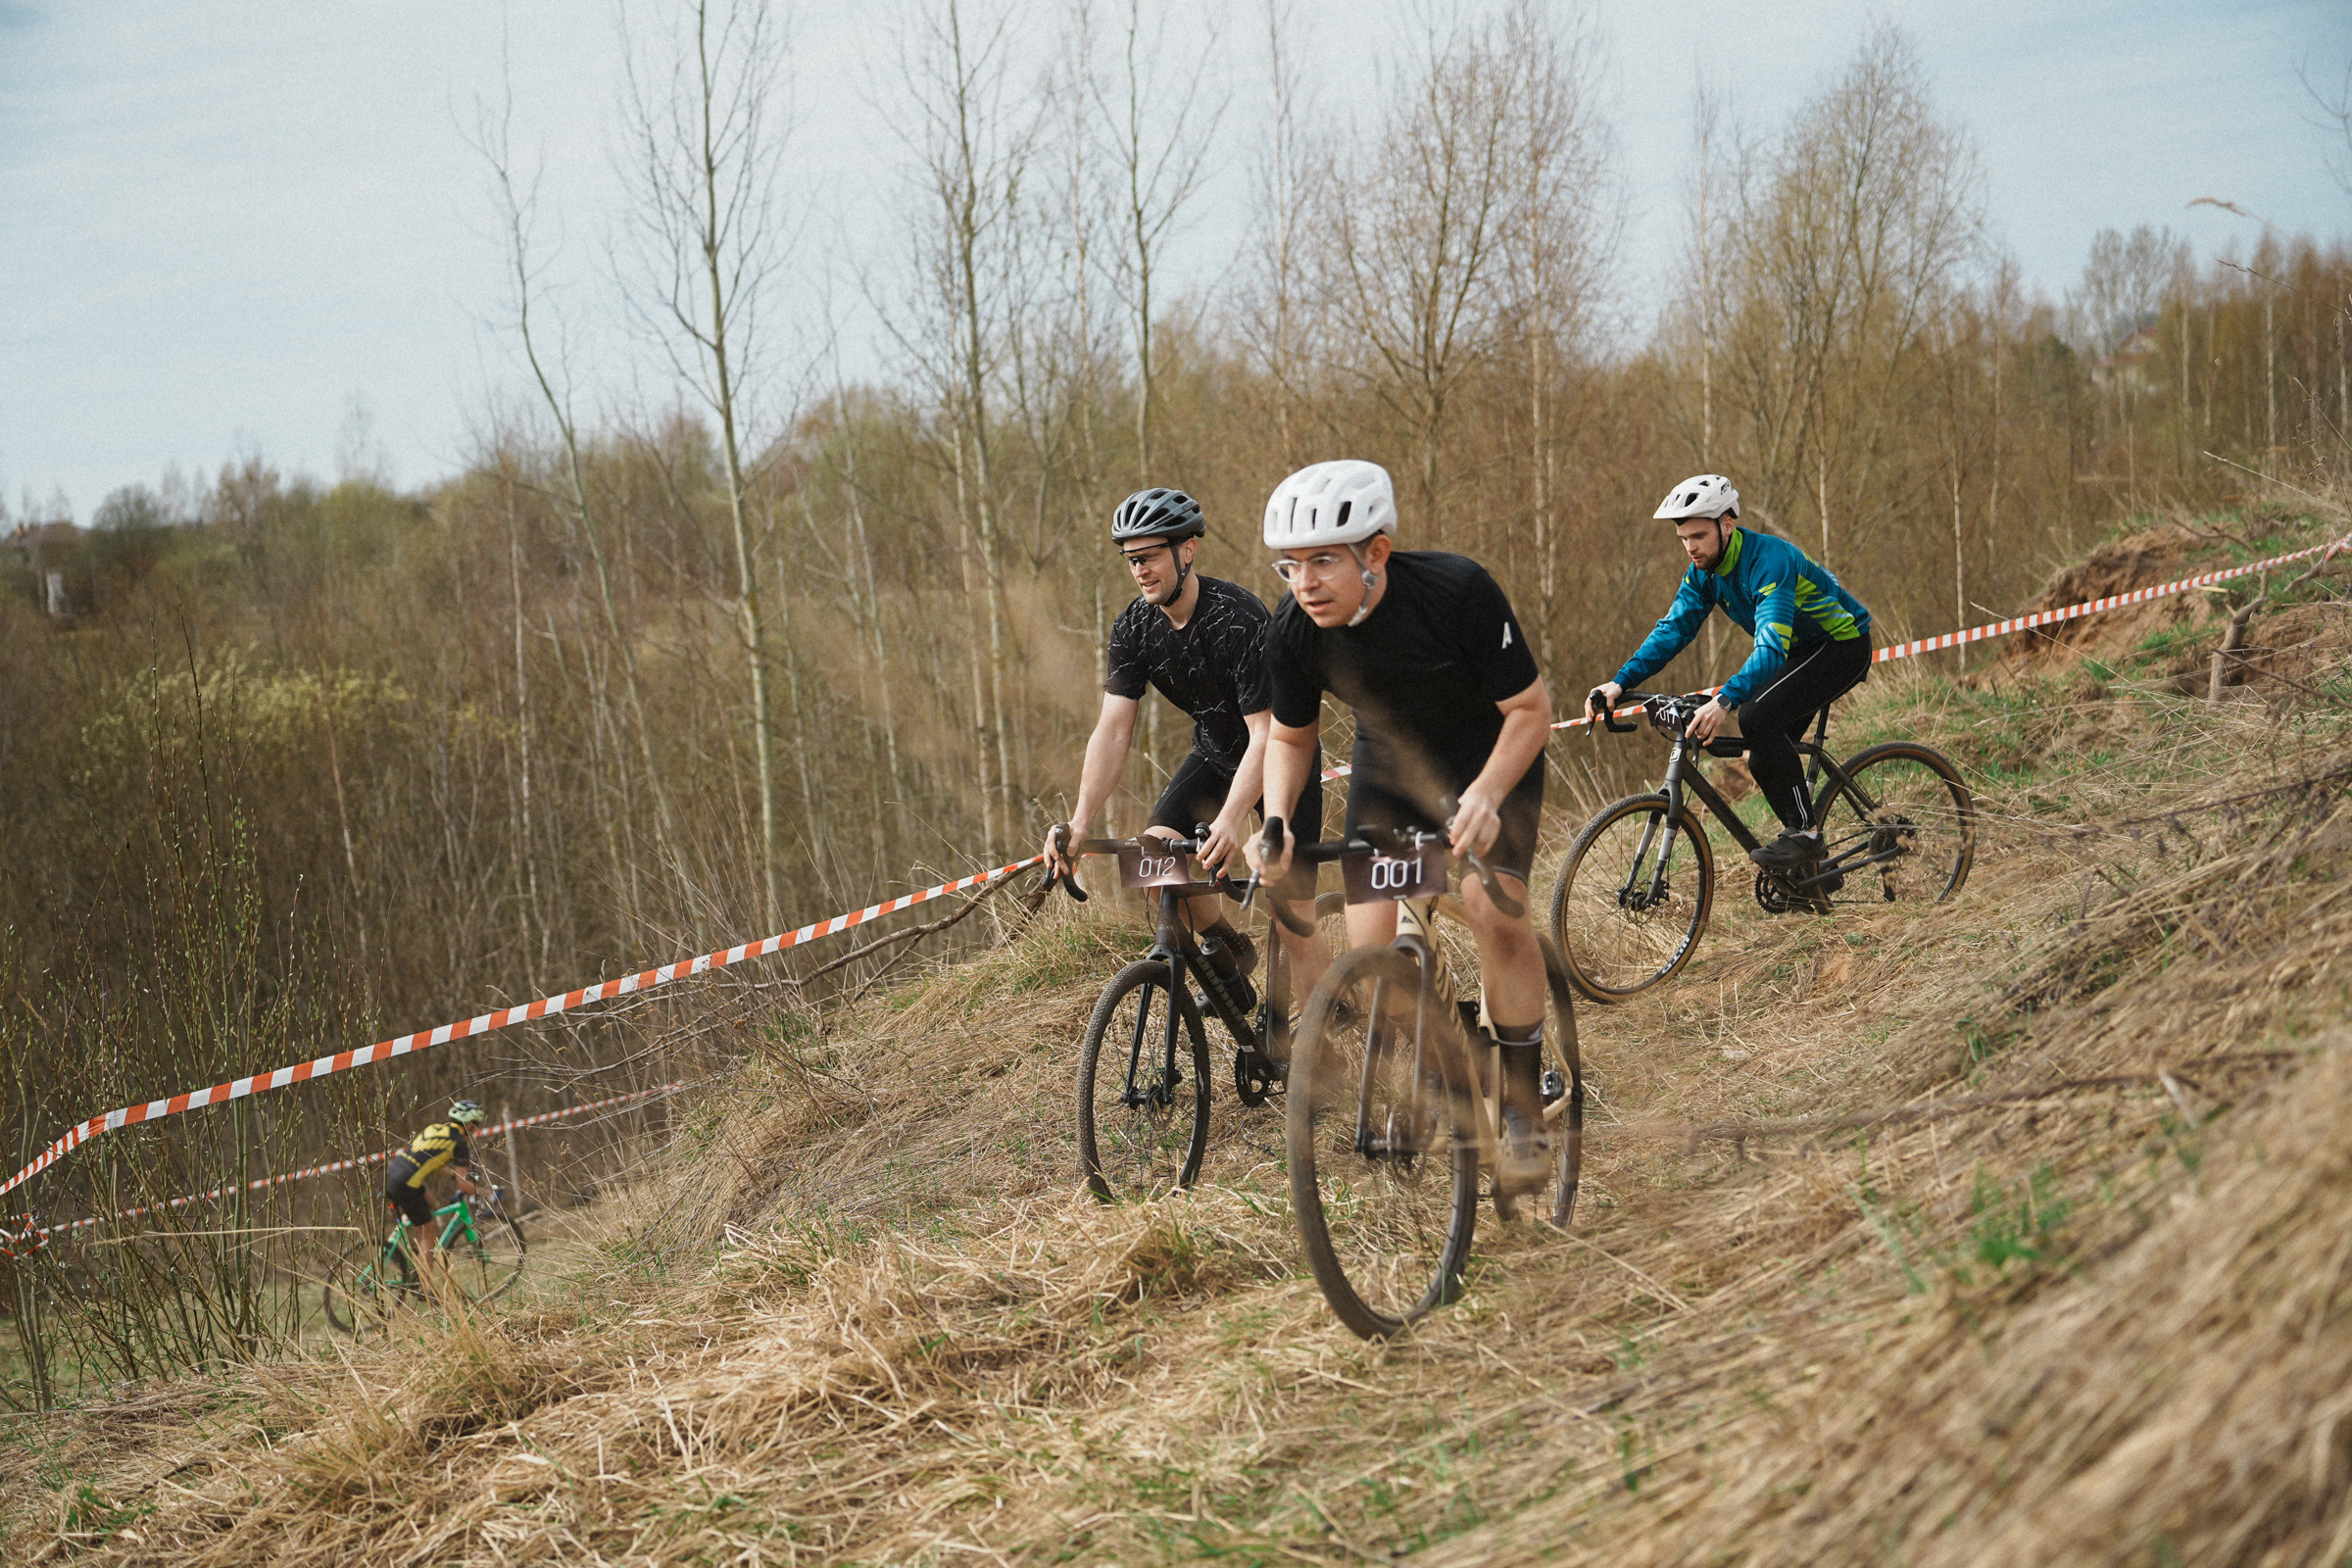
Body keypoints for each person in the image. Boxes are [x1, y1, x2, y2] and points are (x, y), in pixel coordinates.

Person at [1242, 459, 1555, 1191]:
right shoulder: (1292, 627)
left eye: (1324, 561)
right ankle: (1432, 1075)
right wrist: (1280, 821)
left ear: (1375, 552)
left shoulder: (1457, 591)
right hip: (1388, 776)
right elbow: (1289, 739)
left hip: (1490, 759)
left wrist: (1483, 796)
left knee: (1490, 908)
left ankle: (1521, 1107)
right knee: (1372, 950)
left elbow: (1531, 712)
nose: (1305, 583)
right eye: (1290, 566)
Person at [1042, 486, 1332, 1014]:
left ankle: (1322, 1044)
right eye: (1131, 561)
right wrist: (1081, 820)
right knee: (1150, 864)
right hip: (1216, 755)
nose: (1140, 571)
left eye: (1149, 557)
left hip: (1281, 759)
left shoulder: (1239, 618)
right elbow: (1112, 730)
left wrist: (1230, 819)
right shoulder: (1134, 627)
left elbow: (1267, 736)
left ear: (1187, 551)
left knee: (1289, 915)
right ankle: (1229, 954)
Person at [1588, 474, 1873, 874]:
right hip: (1799, 650)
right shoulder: (1704, 573)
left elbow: (1771, 648)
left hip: (1842, 644)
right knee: (1763, 755)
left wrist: (1725, 700)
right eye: (1684, 538)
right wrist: (1621, 682)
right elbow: (1673, 629)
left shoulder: (1768, 561)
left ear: (1727, 524)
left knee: (1757, 717)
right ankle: (1811, 873)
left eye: (1699, 536)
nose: (1690, 547)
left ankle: (1806, 836)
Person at [382, 1100, 488, 1275]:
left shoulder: (436, 1128)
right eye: (476, 1125)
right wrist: (485, 1192)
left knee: (430, 1200)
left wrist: (454, 1175)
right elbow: (464, 1186)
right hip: (406, 1183)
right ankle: (425, 1287)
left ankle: (415, 1252)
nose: (477, 1130)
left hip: (392, 1173)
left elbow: (436, 1166)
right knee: (430, 1234)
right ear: (469, 1125)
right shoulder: (459, 1143)